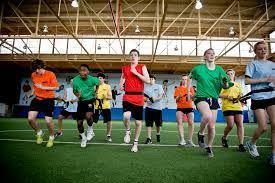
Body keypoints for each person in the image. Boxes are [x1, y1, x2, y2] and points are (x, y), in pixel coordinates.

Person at [188, 48, 232, 158]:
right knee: (207, 115)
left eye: (213, 54)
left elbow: (226, 86)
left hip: (214, 98)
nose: (212, 55)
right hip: (201, 97)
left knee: (212, 126)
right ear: (204, 56)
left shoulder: (220, 70)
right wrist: (189, 91)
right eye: (209, 53)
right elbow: (189, 77)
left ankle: (209, 147)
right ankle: (201, 134)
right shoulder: (198, 69)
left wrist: (226, 83)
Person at [244, 41, 275, 166]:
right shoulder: (252, 64)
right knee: (263, 127)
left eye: (265, 49)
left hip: (272, 96)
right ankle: (251, 143)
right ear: (256, 51)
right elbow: (246, 81)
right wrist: (264, 79)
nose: (263, 51)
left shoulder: (273, 64)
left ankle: (273, 154)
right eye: (260, 49)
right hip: (258, 97)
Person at [119, 49, 150, 152]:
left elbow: (148, 80)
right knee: (126, 115)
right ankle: (128, 130)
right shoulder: (125, 68)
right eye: (131, 55)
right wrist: (121, 84)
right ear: (129, 57)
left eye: (135, 55)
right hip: (128, 96)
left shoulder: (142, 67)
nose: (133, 56)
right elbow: (122, 78)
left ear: (138, 57)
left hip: (139, 97)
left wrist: (136, 73)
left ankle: (135, 143)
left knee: (138, 122)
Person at [27, 59, 59, 148]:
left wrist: (43, 87)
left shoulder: (50, 74)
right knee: (30, 119)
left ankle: (51, 137)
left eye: (38, 69)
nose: (37, 71)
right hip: (37, 99)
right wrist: (32, 92)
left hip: (48, 100)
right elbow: (34, 85)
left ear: (42, 67)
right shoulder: (33, 74)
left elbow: (56, 87)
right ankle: (39, 132)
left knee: (48, 122)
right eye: (35, 69)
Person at [73, 64, 99, 148]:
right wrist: (78, 95)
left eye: (84, 70)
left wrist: (96, 92)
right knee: (79, 123)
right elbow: (75, 92)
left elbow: (99, 83)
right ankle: (83, 138)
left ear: (88, 72)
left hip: (90, 99)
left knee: (88, 116)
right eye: (80, 70)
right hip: (81, 102)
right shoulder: (75, 80)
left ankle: (90, 129)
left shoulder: (93, 79)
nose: (82, 72)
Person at [219, 69, 245, 152]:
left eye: (231, 74)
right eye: (228, 74)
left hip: (238, 106)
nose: (230, 75)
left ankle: (241, 144)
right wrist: (227, 97)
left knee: (240, 124)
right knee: (230, 125)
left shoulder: (238, 85)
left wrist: (242, 99)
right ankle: (224, 137)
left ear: (234, 75)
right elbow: (218, 94)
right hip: (227, 106)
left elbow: (241, 95)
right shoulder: (223, 84)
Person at [174, 74, 195, 147]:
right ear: (181, 80)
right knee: (179, 122)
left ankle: (190, 140)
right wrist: (179, 97)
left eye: (186, 79)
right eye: (183, 79)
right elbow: (176, 99)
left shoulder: (191, 88)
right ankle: (182, 139)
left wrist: (191, 95)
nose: (184, 80)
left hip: (189, 107)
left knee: (191, 122)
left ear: (188, 80)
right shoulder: (178, 88)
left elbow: (193, 98)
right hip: (180, 107)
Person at [144, 74, 164, 144]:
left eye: (152, 79)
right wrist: (146, 99)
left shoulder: (159, 86)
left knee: (158, 124)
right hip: (149, 108)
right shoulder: (146, 88)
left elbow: (161, 96)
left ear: (154, 80)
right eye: (150, 79)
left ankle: (158, 133)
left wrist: (153, 99)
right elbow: (144, 98)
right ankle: (149, 138)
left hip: (158, 108)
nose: (151, 80)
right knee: (149, 124)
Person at [93, 72, 113, 142]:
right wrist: (93, 97)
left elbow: (111, 97)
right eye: (98, 78)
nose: (99, 79)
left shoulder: (108, 86)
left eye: (101, 78)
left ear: (104, 79)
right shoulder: (95, 86)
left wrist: (106, 97)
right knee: (91, 121)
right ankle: (90, 132)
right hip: (96, 107)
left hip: (106, 106)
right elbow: (92, 96)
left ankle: (108, 135)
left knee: (109, 121)